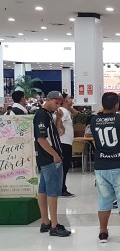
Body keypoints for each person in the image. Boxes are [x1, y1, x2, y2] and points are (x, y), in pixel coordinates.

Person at [90, 92, 120, 243]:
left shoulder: (94, 121)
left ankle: (103, 233)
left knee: (104, 200)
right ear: (117, 105)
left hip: (101, 166)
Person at [34, 91, 71, 237]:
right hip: (50, 158)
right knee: (53, 191)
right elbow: (41, 139)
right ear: (48, 100)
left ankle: (45, 221)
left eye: (60, 104)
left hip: (46, 158)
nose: (57, 107)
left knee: (43, 190)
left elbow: (55, 133)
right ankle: (54, 225)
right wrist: (55, 155)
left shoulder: (48, 115)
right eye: (56, 103)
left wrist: (57, 120)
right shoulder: (42, 115)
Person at [54, 93, 78, 197]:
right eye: (69, 98)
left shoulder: (65, 110)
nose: (71, 99)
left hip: (65, 143)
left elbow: (76, 113)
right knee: (64, 167)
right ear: (65, 100)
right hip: (63, 143)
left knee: (64, 166)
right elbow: (57, 121)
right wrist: (61, 129)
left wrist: (69, 105)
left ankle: (61, 188)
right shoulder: (63, 111)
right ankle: (61, 189)